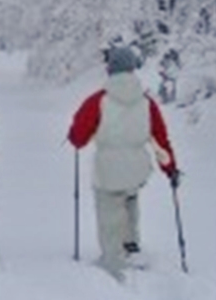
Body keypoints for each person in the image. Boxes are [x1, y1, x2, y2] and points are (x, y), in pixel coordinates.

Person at [66, 44, 179, 281]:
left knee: (109, 213)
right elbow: (160, 138)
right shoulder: (147, 102)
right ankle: (131, 246)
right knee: (130, 202)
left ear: (110, 70)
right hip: (137, 169)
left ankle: (113, 261)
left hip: (108, 169)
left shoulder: (98, 100)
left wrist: (74, 137)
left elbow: (79, 137)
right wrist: (170, 168)